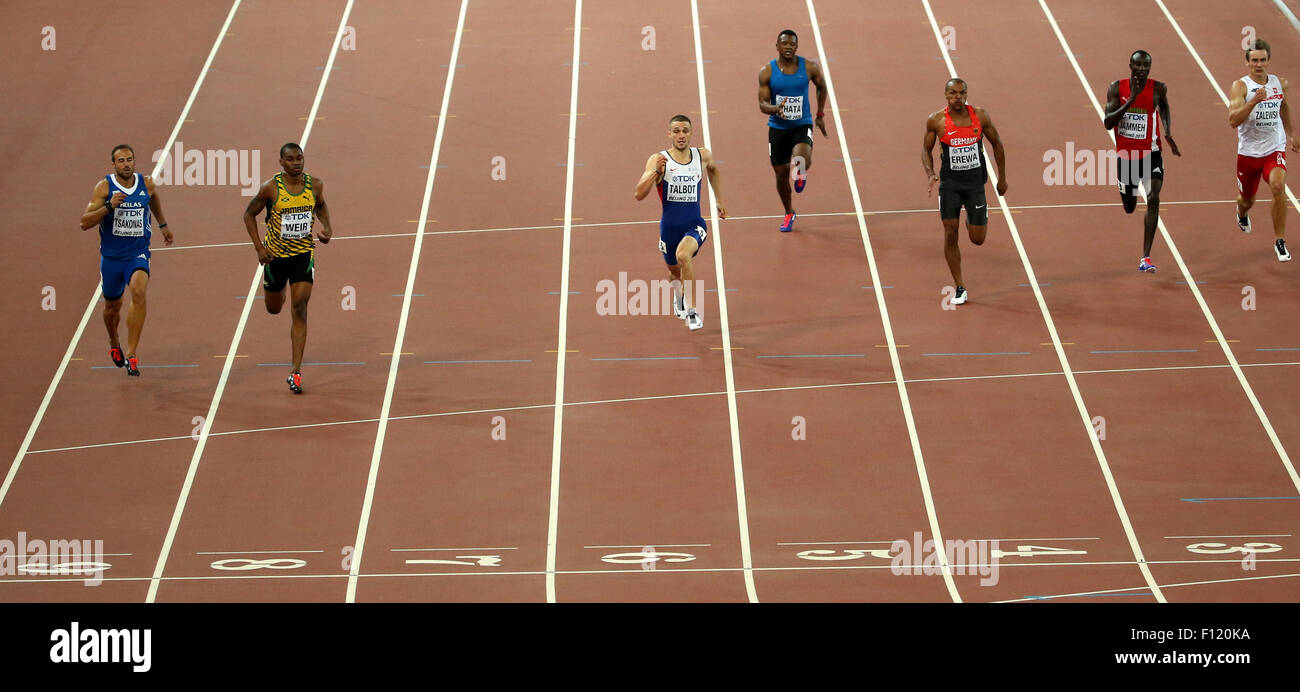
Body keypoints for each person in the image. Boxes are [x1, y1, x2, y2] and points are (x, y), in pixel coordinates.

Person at [242, 143, 333, 393]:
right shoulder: (271, 188)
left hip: (303, 255)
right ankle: (278, 289)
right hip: (275, 258)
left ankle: (295, 371)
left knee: (300, 307)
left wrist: (328, 227)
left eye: (300, 158)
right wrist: (259, 248)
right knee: (273, 309)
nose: (297, 163)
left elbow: (322, 205)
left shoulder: (315, 185)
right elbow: (248, 215)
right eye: (291, 159)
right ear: (281, 162)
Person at [79, 144, 174, 376]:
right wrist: (110, 206)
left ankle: (132, 354)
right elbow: (84, 222)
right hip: (112, 258)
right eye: (121, 161)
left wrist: (163, 225)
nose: (126, 164)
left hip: (137, 253)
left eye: (129, 159)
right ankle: (114, 342)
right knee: (112, 309)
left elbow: (153, 199)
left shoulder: (146, 183)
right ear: (113, 164)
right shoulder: (104, 188)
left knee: (139, 292)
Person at [633, 114, 726, 331]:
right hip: (669, 229)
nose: (681, 135)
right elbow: (638, 194)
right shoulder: (658, 160)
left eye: (685, 130)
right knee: (675, 272)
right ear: (669, 134)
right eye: (676, 131)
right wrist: (655, 172)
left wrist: (719, 200)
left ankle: (692, 312)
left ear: (691, 133)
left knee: (683, 256)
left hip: (695, 225)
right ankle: (679, 296)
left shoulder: (702, 156)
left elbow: (713, 170)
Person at [922, 79, 1008, 306]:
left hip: (975, 185)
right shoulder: (937, 120)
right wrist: (930, 172)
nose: (957, 97)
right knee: (951, 233)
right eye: (953, 93)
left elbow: (997, 143)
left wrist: (1003, 177)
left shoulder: (980, 116)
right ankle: (960, 286)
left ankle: (973, 216)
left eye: (962, 93)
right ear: (945, 95)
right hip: (949, 185)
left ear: (967, 94)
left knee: (977, 239)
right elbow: (926, 149)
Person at [1103, 50, 1181, 273]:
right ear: (1130, 65)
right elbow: (1108, 123)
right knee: (1129, 207)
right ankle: (1129, 196)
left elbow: (1164, 106)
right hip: (1126, 157)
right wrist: (1132, 101)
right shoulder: (1117, 88)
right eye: (1138, 66)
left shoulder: (1158, 89)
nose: (1143, 70)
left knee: (1154, 197)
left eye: (1147, 66)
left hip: (1151, 153)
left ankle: (1145, 257)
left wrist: (1168, 132)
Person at [1229, 38, 1297, 262]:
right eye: (1255, 60)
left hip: (1273, 148)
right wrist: (1253, 102)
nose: (1259, 64)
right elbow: (1233, 121)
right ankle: (1241, 213)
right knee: (1247, 200)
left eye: (1263, 60)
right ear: (1247, 62)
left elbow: (1283, 107)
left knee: (1278, 185)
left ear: (1268, 61)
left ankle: (1279, 240)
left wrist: (1291, 134)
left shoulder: (1280, 84)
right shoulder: (1241, 86)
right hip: (1249, 153)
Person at [758, 29, 827, 232]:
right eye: (784, 43)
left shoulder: (809, 68)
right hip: (778, 128)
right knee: (780, 175)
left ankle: (800, 172)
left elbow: (822, 87)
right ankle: (789, 212)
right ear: (777, 46)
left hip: (801, 124)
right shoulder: (767, 72)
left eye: (792, 44)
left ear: (796, 47)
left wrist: (820, 115)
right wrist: (775, 109)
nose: (788, 47)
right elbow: (762, 104)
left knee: (801, 158)